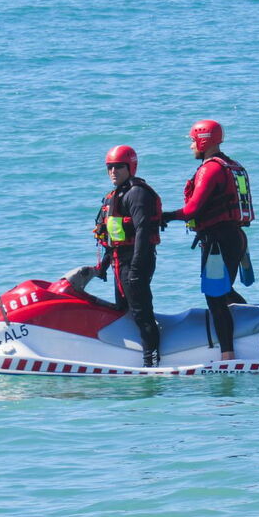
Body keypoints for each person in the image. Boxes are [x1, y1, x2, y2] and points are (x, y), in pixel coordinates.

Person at [161, 119, 254, 361]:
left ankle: (227, 355)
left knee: (215, 298)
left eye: (193, 140)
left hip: (218, 242)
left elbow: (191, 210)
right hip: (234, 238)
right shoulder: (231, 165)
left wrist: (164, 217)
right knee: (224, 292)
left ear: (203, 140)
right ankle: (255, 325)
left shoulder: (210, 169)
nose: (191, 146)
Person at [92, 145, 162, 367]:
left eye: (118, 167)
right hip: (118, 261)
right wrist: (102, 266)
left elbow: (142, 230)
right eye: (109, 168)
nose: (113, 172)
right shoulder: (114, 196)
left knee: (142, 312)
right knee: (123, 310)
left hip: (136, 260)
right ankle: (128, 354)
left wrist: (136, 268)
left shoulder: (137, 193)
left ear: (130, 167)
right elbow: (111, 237)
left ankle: (151, 360)